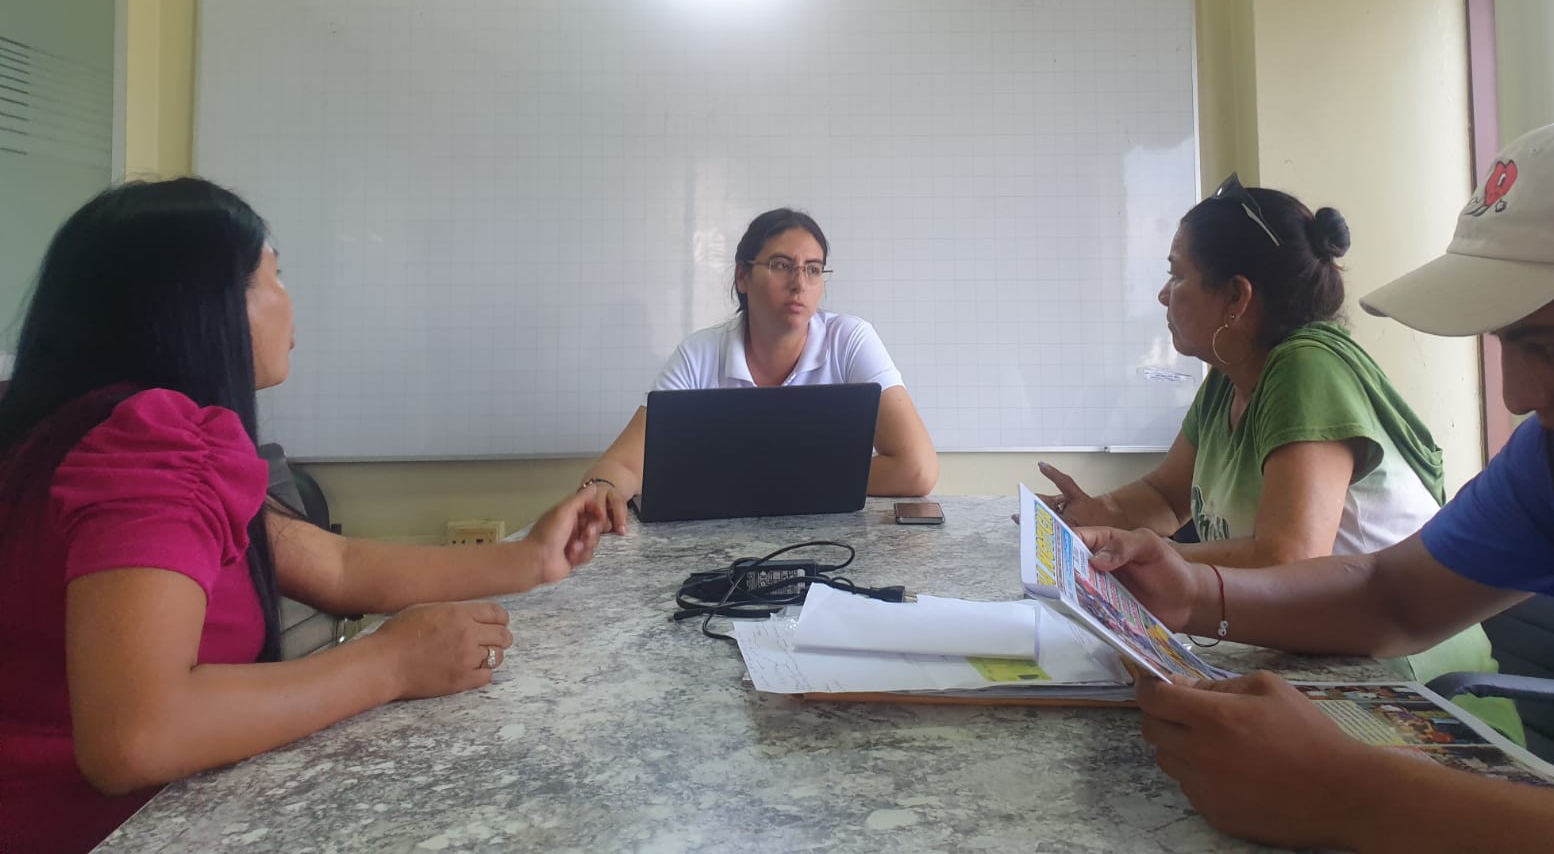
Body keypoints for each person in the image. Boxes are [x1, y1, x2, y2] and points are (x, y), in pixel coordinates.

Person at [0, 179, 607, 854]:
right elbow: (136, 735)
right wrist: (391, 663)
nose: (290, 301)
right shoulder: (153, 446)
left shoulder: (71, 435)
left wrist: (532, 557)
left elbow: (334, 565)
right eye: (274, 276)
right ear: (206, 305)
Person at [1080, 115, 1554, 851]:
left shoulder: (1306, 365)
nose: (1517, 395)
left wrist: (1357, 797)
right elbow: (1391, 596)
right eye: (1505, 343)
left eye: (1551, 346)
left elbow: (1300, 557)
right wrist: (1191, 592)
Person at [1040, 176, 1446, 569]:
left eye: (1177, 275)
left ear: (1236, 296)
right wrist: (1094, 515)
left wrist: (1143, 551)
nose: (1163, 295)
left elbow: (1290, 560)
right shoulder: (1231, 375)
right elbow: (1165, 497)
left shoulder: (1307, 370)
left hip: (1396, 619)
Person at [578, 208, 938, 531]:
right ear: (742, 277)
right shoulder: (700, 354)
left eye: (813, 269)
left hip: (832, 543)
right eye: (782, 265)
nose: (800, 284)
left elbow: (916, 469)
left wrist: (770, 479)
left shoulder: (850, 340)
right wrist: (603, 489)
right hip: (718, 548)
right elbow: (626, 465)